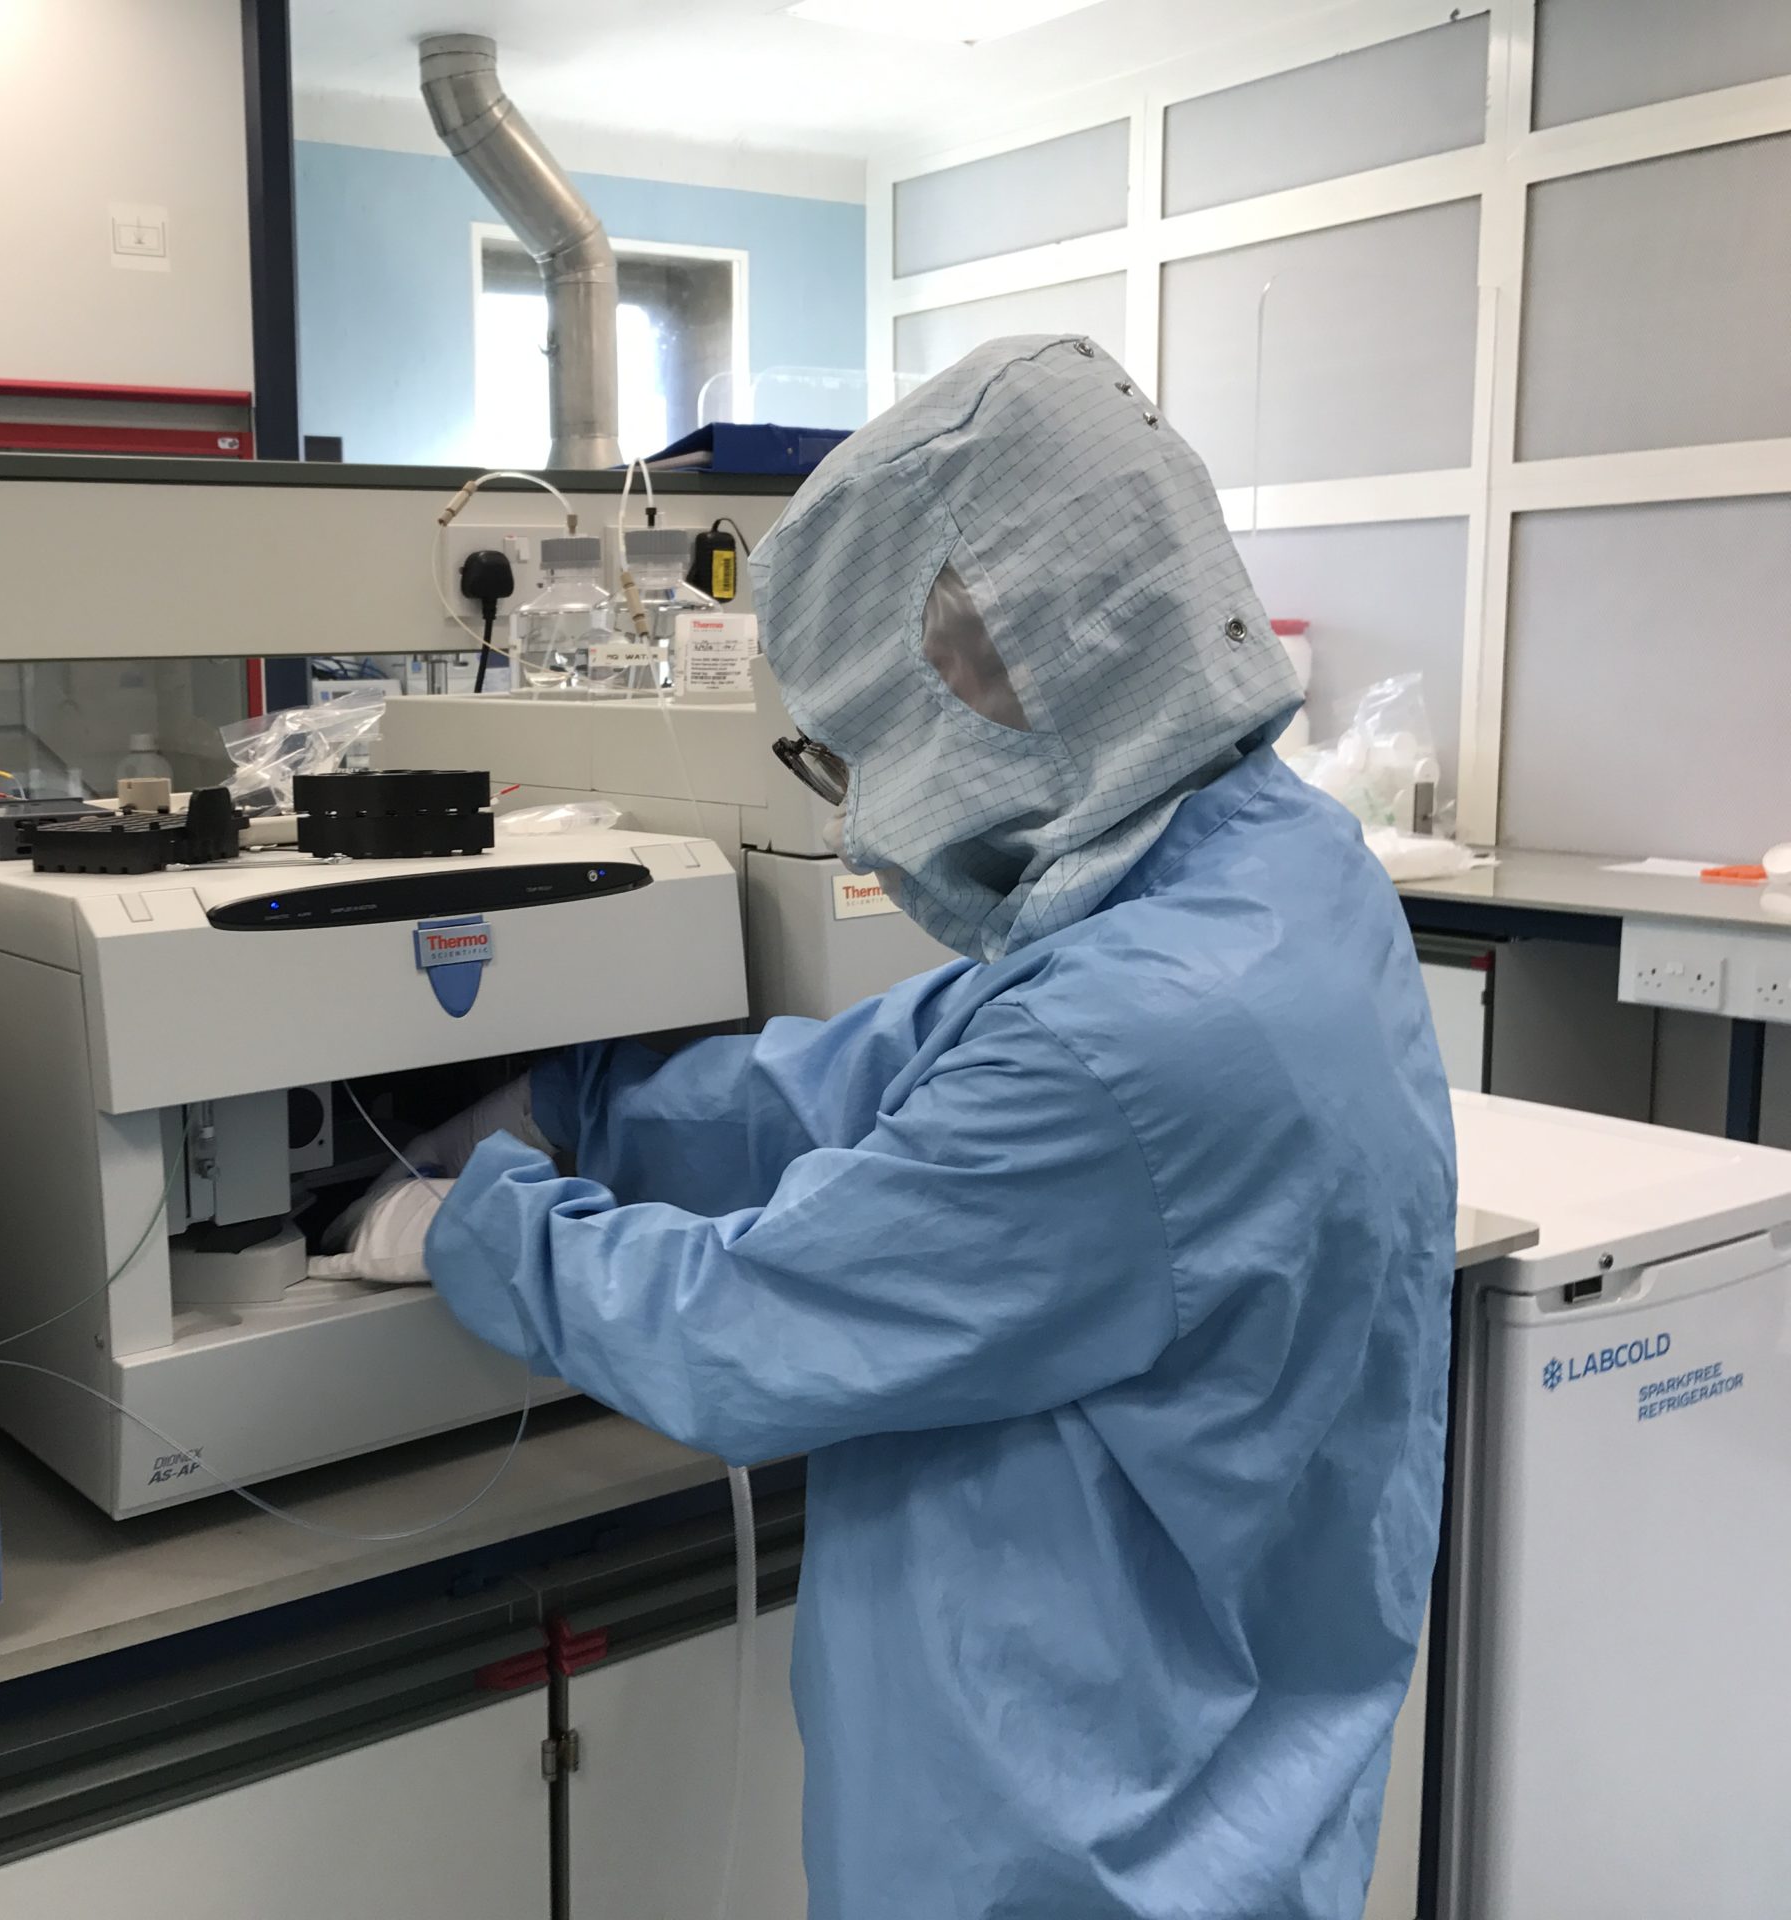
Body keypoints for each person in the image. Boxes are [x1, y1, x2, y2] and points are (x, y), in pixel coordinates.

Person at [326, 334, 1456, 1919]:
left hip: (1076, 1848)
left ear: (1014, 666)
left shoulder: (1125, 1040)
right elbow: (891, 1069)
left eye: (868, 737)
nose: (864, 816)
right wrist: (582, 1105)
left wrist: (475, 1225)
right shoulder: (1279, 870)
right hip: (1247, 1770)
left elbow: (741, 1331)